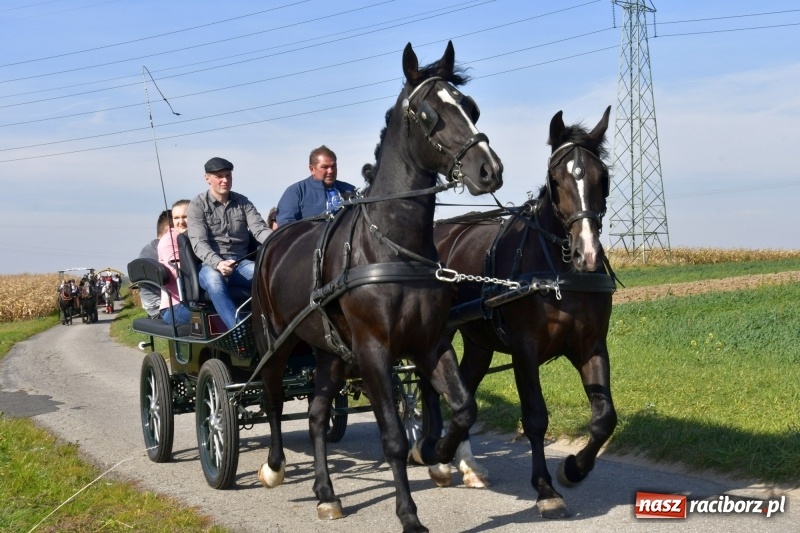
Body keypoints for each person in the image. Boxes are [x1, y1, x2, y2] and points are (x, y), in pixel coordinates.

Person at [187, 157, 272, 330]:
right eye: (219, 176)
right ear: (207, 178)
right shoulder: (197, 205)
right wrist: (218, 263)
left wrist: (281, 240)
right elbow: (199, 243)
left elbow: (260, 230)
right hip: (211, 264)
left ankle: (273, 326)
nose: (225, 180)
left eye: (228, 175)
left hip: (241, 263)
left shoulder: (243, 203)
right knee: (214, 281)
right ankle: (239, 331)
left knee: (270, 277)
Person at [275, 145, 356, 226]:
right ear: (312, 169)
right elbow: (286, 226)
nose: (330, 171)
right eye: (325, 167)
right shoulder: (296, 192)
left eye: (333, 166)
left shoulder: (350, 190)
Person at [158, 199, 192, 326]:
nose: (181, 222)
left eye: (185, 217)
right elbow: (180, 273)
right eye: (176, 218)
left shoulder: (200, 236)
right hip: (175, 307)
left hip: (198, 301)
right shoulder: (169, 241)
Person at [138, 210, 171, 318]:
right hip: (164, 309)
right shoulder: (166, 250)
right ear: (169, 230)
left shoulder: (147, 249)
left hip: (151, 308)